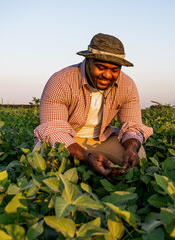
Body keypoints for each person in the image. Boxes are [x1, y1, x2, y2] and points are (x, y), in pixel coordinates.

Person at [33, 33, 153, 176]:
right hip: (68, 138)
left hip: (101, 139)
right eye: (101, 67)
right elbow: (54, 130)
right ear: (87, 60)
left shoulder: (127, 85)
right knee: (42, 153)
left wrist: (131, 148)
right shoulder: (61, 81)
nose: (107, 75)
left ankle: (119, 190)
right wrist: (87, 157)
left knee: (137, 155)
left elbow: (133, 126)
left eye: (114, 70)